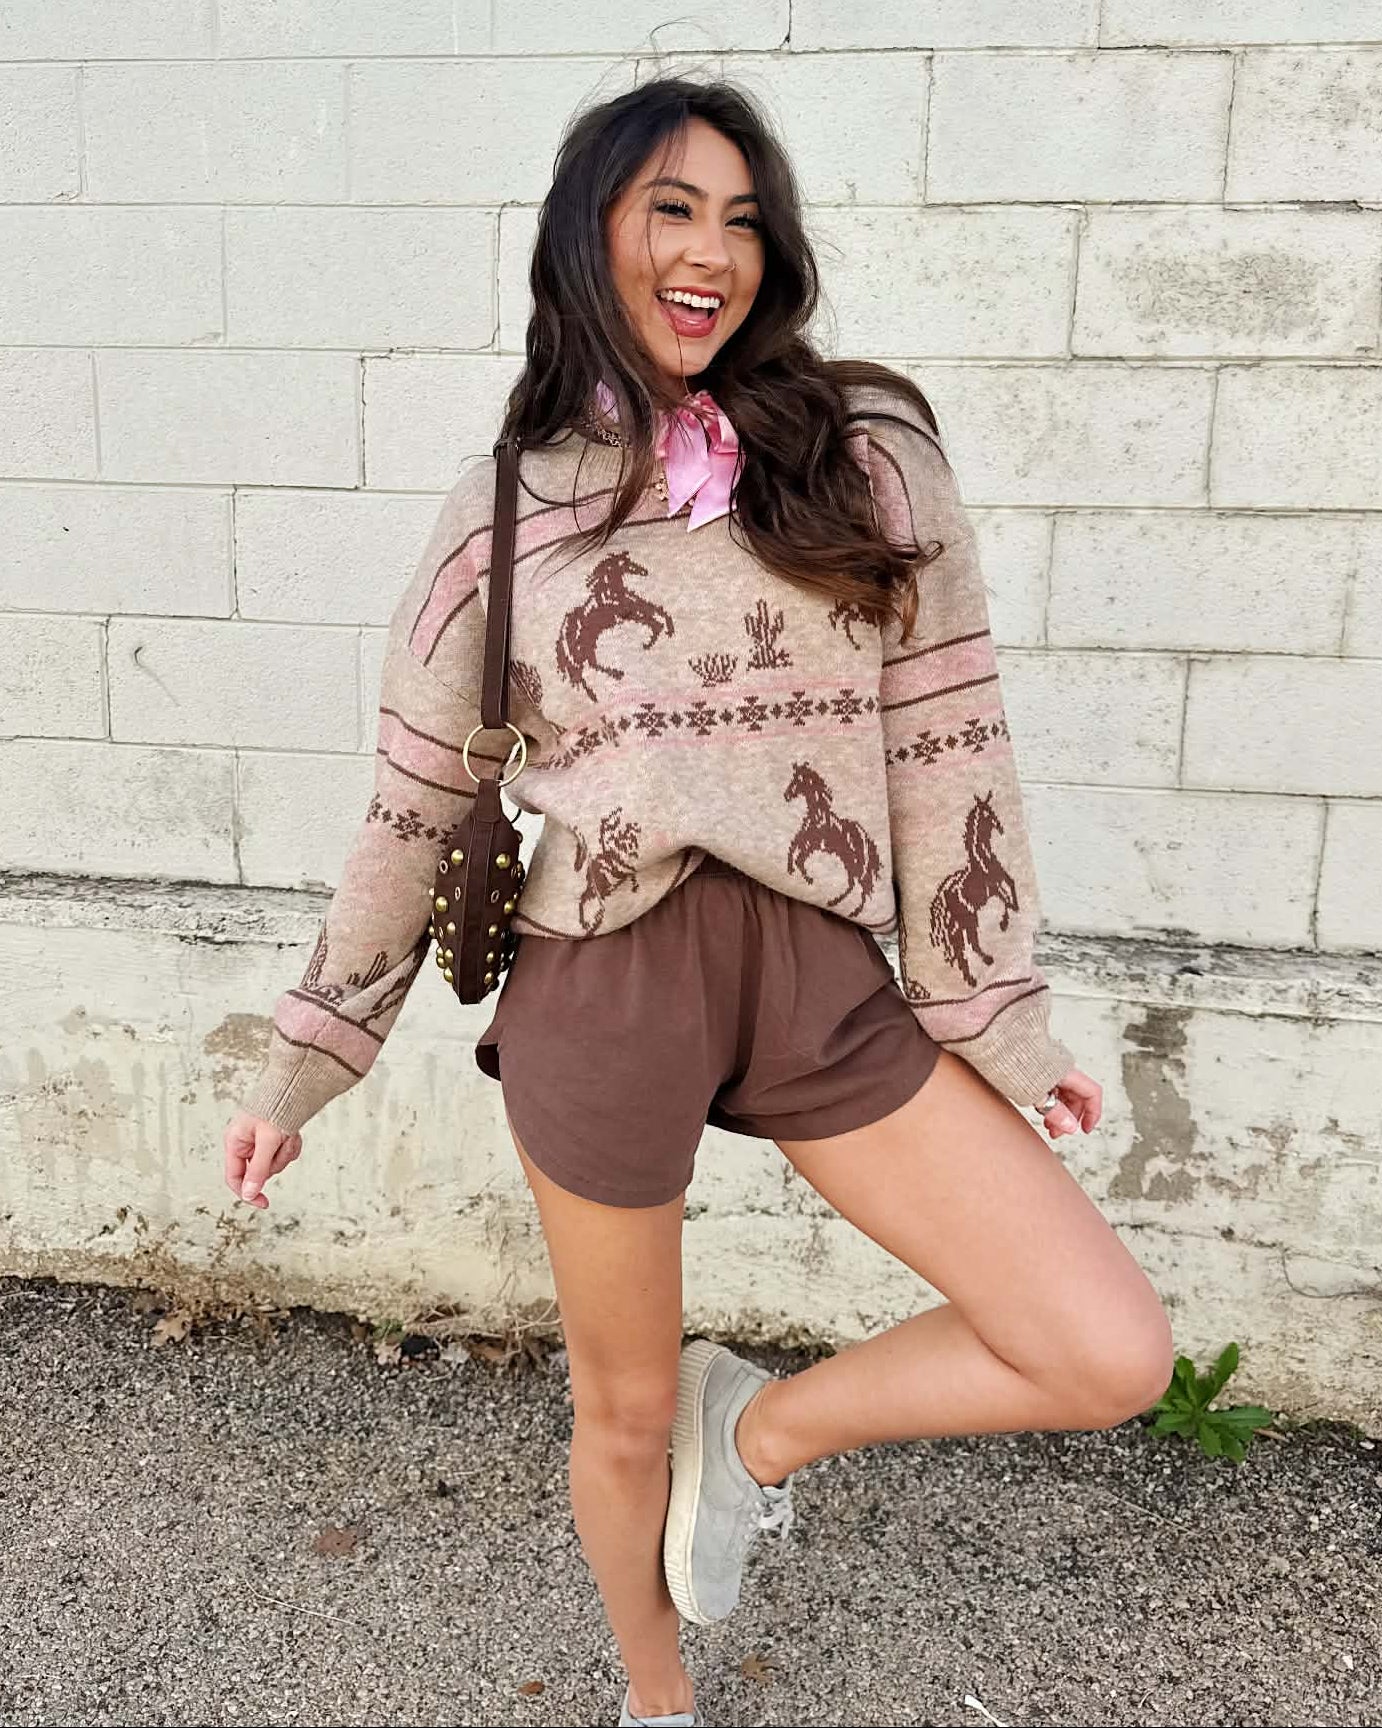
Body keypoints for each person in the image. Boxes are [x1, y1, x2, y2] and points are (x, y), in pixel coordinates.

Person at [223, 76, 1173, 1728]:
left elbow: (947, 738)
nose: (708, 253)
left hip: (816, 975)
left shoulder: (866, 452)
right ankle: (656, 1701)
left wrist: (997, 1012)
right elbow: (415, 796)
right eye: (669, 208)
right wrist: (307, 1056)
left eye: (740, 220)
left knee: (1102, 1348)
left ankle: (758, 1433)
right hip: (600, 979)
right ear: (587, 234)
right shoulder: (507, 502)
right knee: (617, 1409)